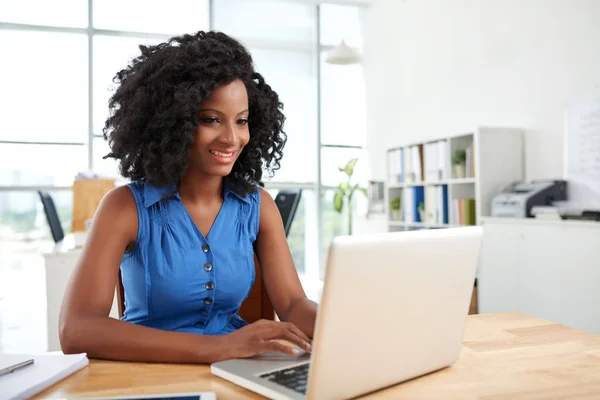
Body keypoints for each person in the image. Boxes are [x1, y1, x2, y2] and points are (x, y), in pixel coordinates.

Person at [59, 31, 317, 364]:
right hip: (148, 372)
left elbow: (293, 304)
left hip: (237, 369)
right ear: (173, 123)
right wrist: (220, 348)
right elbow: (76, 330)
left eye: (241, 121)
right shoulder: (125, 207)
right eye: (211, 120)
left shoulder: (258, 205)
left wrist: (340, 323)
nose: (231, 138)